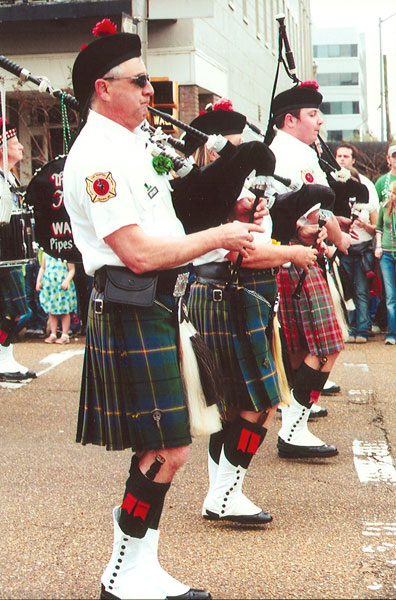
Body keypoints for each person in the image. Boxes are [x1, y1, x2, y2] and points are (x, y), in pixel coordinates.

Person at [63, 20, 264, 600]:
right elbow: (136, 251)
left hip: (157, 304)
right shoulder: (96, 157)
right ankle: (125, 571)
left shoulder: (132, 143)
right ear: (104, 88)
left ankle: (135, 568)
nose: (153, 91)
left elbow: (175, 211)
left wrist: (229, 199)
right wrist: (218, 235)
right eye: (141, 81)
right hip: (131, 301)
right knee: (167, 448)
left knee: (167, 447)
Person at [182, 100, 324, 523]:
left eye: (240, 144)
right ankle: (225, 494)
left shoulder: (231, 188)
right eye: (228, 145)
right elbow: (237, 254)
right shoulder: (205, 189)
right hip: (228, 291)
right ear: (209, 148)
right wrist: (291, 253)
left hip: (235, 294)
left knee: (233, 404)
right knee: (255, 402)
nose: (236, 153)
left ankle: (223, 491)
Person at [265, 81, 352, 459]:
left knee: (299, 350)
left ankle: (293, 421)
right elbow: (314, 212)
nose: (320, 121)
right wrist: (341, 241)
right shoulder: (291, 154)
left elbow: (321, 210)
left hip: (291, 258)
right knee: (328, 345)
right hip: (295, 258)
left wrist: (335, 232)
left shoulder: (292, 150)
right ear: (290, 119)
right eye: (312, 114)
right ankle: (293, 428)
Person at [0, 119, 36, 381]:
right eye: (14, 142)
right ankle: (2, 359)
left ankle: (7, 356)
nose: (22, 147)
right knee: (7, 309)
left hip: (13, 252)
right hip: (3, 253)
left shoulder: (9, 177)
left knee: (13, 308)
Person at [335, 143, 378, 343]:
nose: (342, 159)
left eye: (346, 156)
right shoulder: (332, 183)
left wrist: (362, 224)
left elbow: (376, 223)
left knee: (361, 290)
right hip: (341, 246)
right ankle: (349, 329)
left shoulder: (367, 186)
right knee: (345, 290)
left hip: (362, 248)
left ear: (353, 160)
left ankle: (361, 329)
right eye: (339, 155)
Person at [36, 252, 77, 344]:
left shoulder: (66, 253)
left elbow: (71, 269)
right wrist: (38, 280)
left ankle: (65, 335)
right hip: (50, 286)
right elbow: (43, 268)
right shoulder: (46, 253)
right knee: (52, 311)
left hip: (62, 286)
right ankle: (53, 334)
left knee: (65, 311)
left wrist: (67, 280)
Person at [375, 179, 396, 345]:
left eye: (394, 193)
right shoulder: (385, 207)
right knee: (390, 296)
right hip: (387, 253)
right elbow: (379, 228)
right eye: (391, 192)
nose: (391, 195)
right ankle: (391, 333)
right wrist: (378, 246)